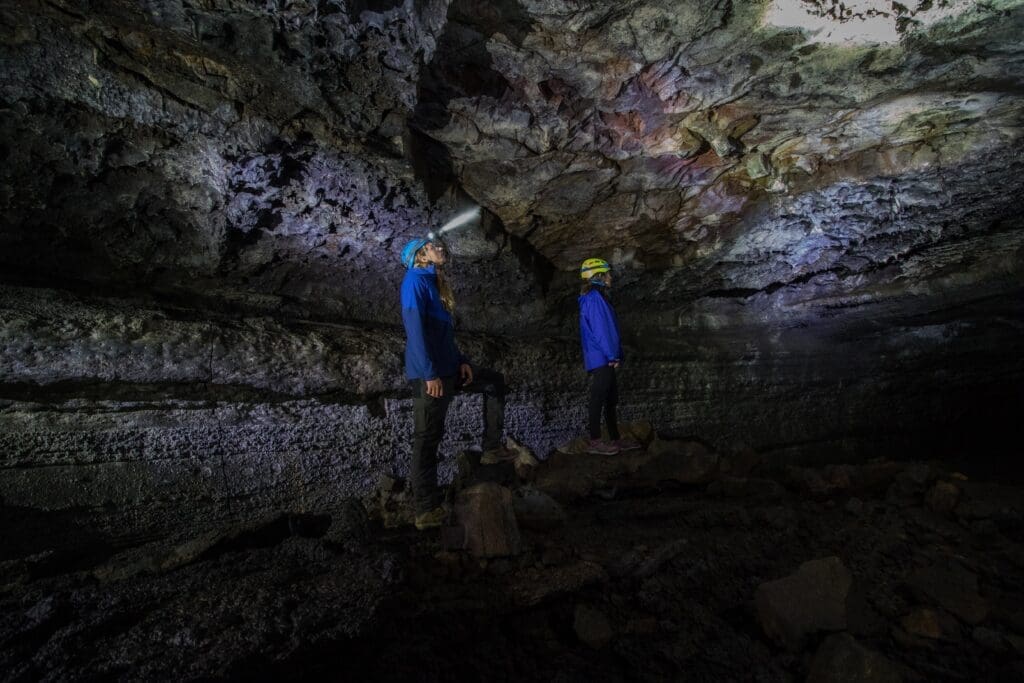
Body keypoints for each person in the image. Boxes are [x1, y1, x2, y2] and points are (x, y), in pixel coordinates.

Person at [400, 235, 515, 530]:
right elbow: (416, 332)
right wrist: (429, 374)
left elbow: (443, 338)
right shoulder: (414, 281)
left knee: (493, 382)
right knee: (427, 438)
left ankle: (491, 449)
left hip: (449, 369)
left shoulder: (434, 285)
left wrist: (462, 360)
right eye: (433, 246)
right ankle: (426, 510)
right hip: (430, 375)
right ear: (421, 255)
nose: (441, 248)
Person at [578, 258, 642, 456]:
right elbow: (601, 330)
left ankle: (615, 438)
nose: (610, 277)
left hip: (604, 355)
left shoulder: (597, 297)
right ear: (599, 276)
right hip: (601, 356)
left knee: (610, 398)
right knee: (598, 397)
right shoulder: (594, 298)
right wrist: (612, 355)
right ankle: (595, 441)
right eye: (607, 273)